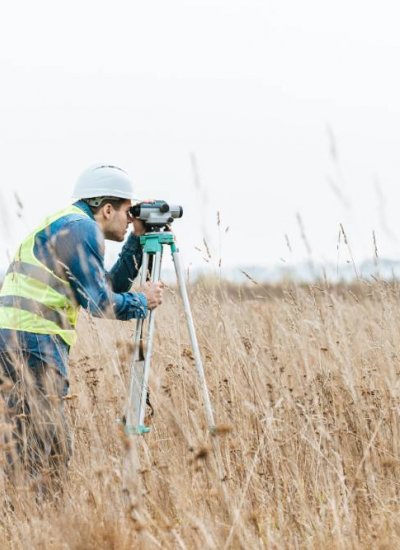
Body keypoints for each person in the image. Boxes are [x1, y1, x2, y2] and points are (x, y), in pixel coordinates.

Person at [0, 163, 163, 482]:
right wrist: (143, 301)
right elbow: (99, 303)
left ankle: (21, 515)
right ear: (106, 209)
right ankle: (42, 521)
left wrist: (136, 242)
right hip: (34, 340)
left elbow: (103, 287)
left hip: (15, 337)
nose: (131, 219)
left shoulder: (67, 224)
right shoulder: (82, 229)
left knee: (24, 440)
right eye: (128, 211)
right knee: (49, 450)